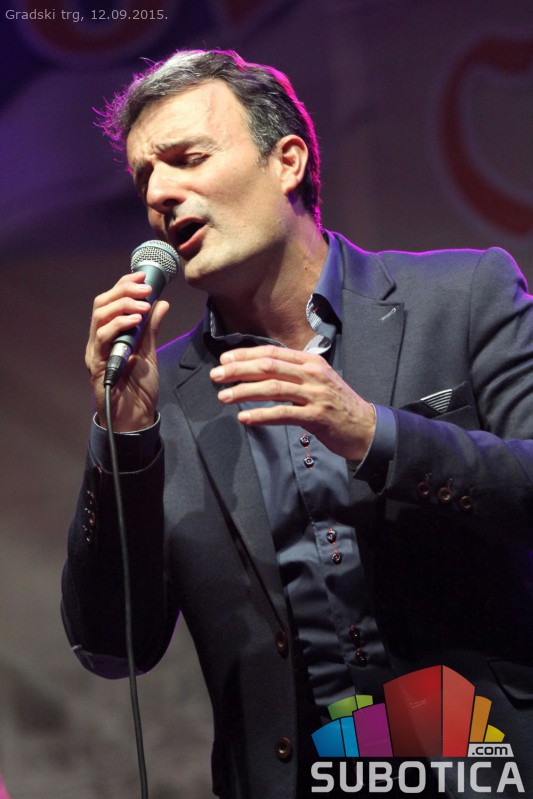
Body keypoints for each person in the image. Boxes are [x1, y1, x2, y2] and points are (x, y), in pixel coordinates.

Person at [62, 48, 533, 798]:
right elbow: (111, 645)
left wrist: (374, 433)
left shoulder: (464, 294)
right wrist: (122, 436)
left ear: (287, 161)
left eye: (187, 159)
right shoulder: (162, 396)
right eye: (145, 176)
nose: (161, 194)